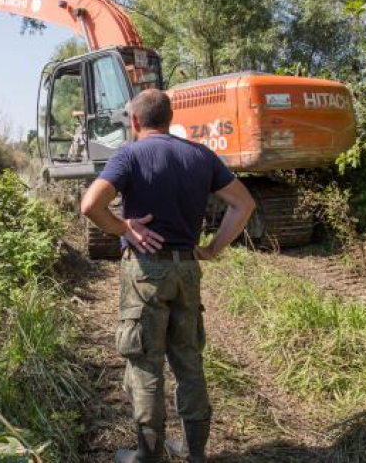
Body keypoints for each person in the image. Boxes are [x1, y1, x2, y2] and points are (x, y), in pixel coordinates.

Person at [80, 89, 255, 463]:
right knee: (188, 360)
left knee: (145, 361)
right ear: (170, 118)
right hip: (187, 269)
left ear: (135, 121)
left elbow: (90, 205)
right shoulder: (200, 155)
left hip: (146, 271)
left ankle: (149, 454)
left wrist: (124, 227)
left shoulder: (129, 154)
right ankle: (195, 454)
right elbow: (244, 204)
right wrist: (212, 248)